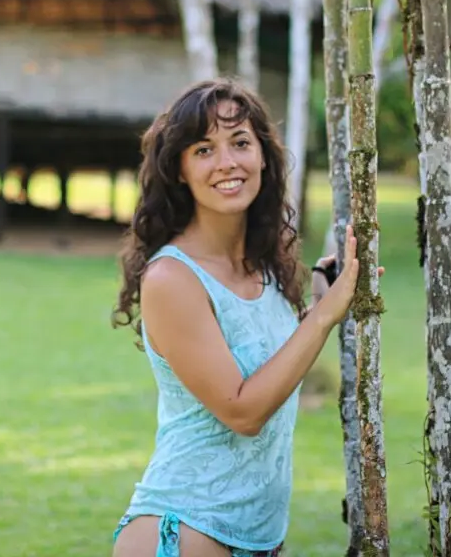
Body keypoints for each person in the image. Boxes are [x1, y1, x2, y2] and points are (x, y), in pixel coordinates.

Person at [110, 78, 381, 557]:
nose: (227, 163)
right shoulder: (173, 278)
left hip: (259, 537)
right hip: (184, 532)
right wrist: (322, 319)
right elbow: (243, 410)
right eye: (204, 149)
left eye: (240, 143)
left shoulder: (264, 266)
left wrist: (320, 296)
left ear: (262, 156)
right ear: (179, 170)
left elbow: (275, 361)